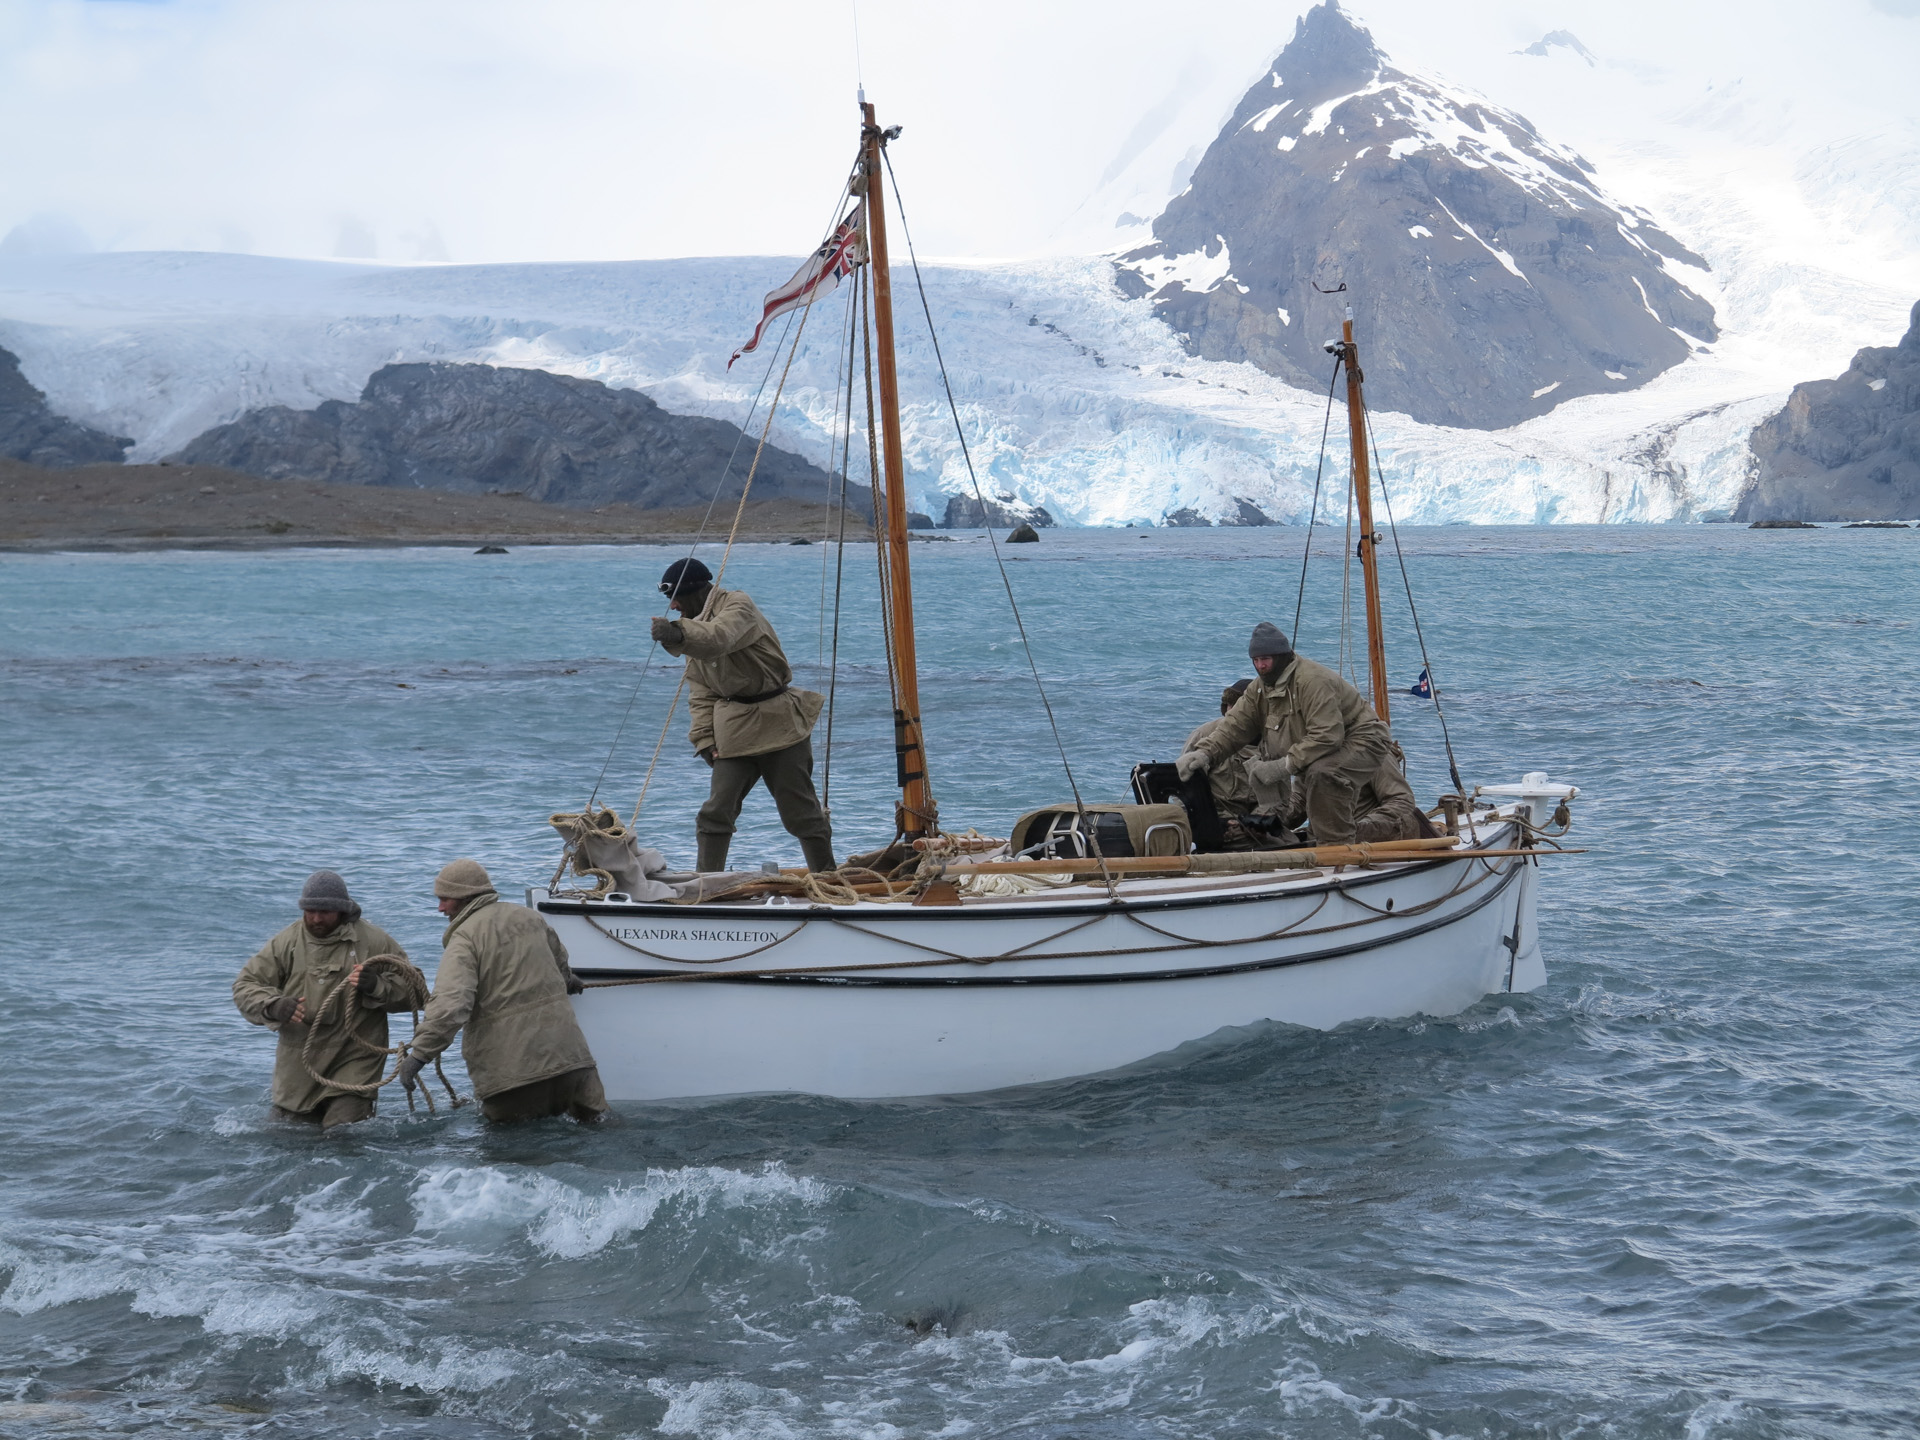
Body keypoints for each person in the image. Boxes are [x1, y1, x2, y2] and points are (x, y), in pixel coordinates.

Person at [649, 557, 835, 873]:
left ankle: (829, 882)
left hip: (780, 726)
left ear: (697, 591)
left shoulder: (738, 606)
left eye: (676, 598)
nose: (675, 606)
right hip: (733, 731)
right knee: (714, 813)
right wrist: (705, 739)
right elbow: (701, 693)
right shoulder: (696, 626)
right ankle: (706, 886)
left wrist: (678, 634)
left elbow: (720, 638)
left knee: (802, 814)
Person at [398, 858, 608, 1124]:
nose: (440, 908)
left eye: (445, 899)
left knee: (514, 1157)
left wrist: (418, 1056)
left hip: (513, 1078)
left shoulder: (465, 939)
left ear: (465, 897)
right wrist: (570, 981)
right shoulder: (530, 917)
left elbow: (451, 1006)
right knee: (598, 1130)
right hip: (572, 1063)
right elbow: (560, 963)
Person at [1177, 622, 1406, 846]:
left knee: (1322, 773)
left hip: (1364, 738)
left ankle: (1335, 848)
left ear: (1281, 656)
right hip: (1324, 746)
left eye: (1265, 659)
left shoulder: (1312, 681)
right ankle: (1325, 841)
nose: (1260, 666)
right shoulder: (1259, 689)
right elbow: (1234, 726)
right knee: (1308, 779)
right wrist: (1204, 754)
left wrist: (1283, 766)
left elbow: (1327, 735)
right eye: (1255, 661)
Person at [232, 870, 417, 1130]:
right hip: (299, 1062)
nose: (316, 918)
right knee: (288, 1139)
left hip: (355, 1058)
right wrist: (273, 1005)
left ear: (342, 911)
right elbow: (245, 985)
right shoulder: (287, 943)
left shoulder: (374, 942)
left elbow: (416, 992)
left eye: (325, 912)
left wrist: (376, 985)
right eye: (310, 911)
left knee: (341, 1135)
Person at [1183, 679, 1261, 818]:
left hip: (1258, 822)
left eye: (1238, 706)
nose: (1231, 710)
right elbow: (1183, 790)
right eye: (1229, 704)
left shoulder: (1272, 742)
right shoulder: (1204, 735)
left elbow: (1279, 797)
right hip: (1215, 819)